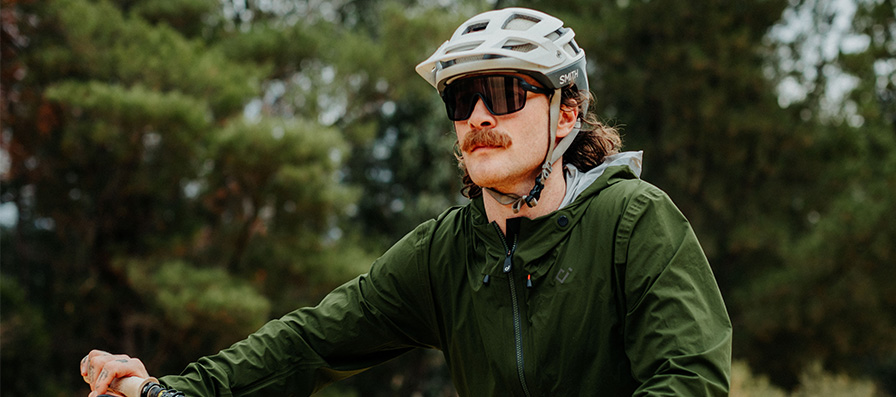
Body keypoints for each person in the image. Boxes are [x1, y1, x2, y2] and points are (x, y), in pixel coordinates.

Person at [81, 7, 732, 396]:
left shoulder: (634, 222)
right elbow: (310, 341)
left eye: (505, 92)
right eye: (460, 98)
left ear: (566, 114)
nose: (478, 115)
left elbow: (690, 379)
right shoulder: (447, 251)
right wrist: (174, 390)